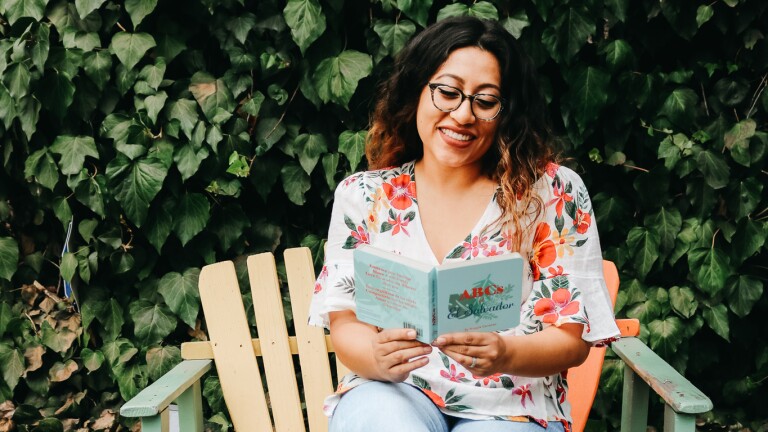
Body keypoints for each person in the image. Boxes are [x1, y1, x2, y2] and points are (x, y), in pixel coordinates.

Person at [308, 16, 620, 432]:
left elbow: (571, 339)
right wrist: (376, 356)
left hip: (512, 406)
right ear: (417, 92)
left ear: (506, 112)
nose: (462, 114)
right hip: (397, 390)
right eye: (447, 92)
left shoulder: (552, 193)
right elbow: (345, 320)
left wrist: (505, 352)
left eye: (485, 100)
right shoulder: (364, 196)